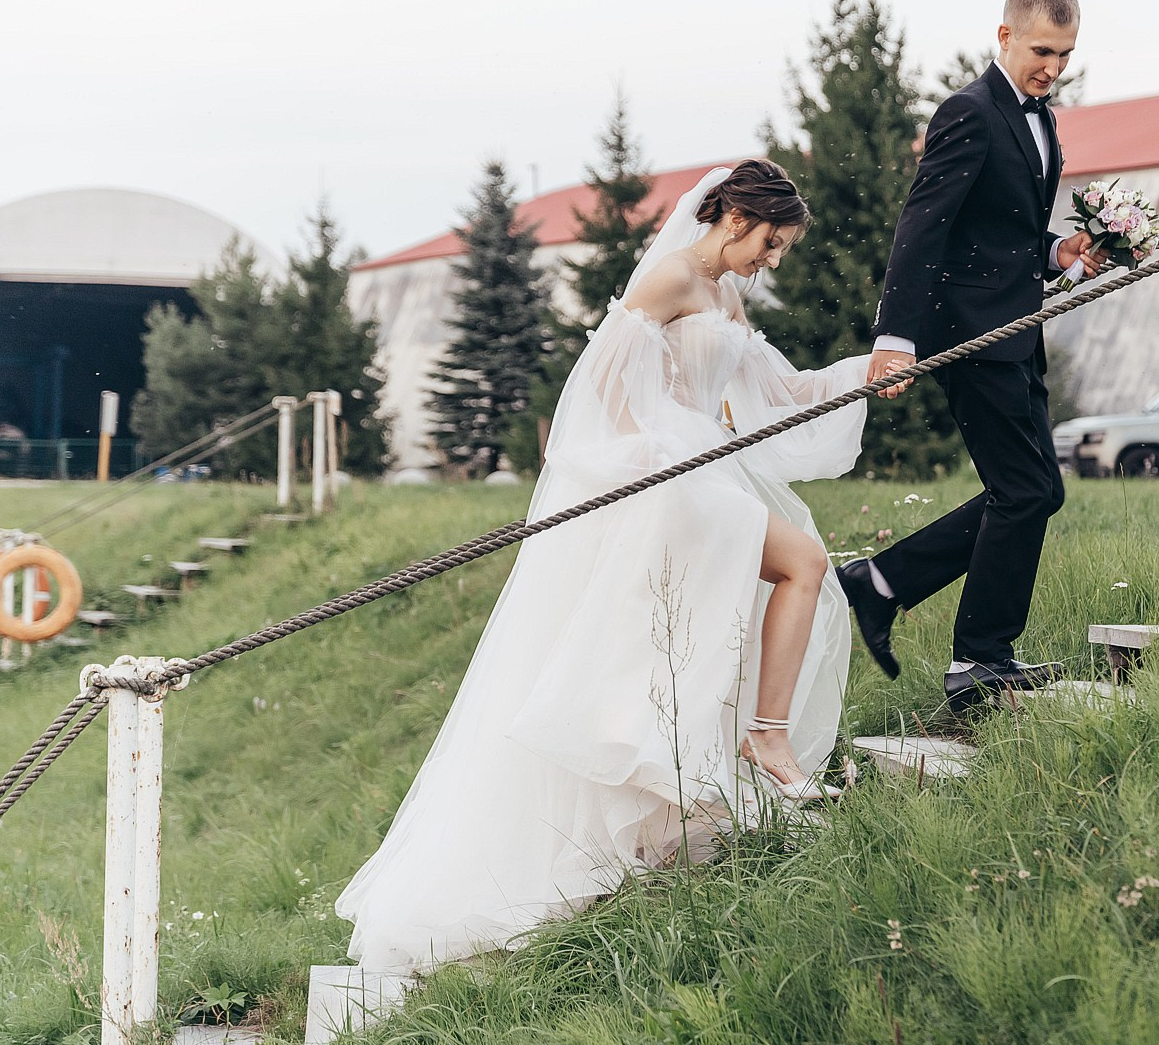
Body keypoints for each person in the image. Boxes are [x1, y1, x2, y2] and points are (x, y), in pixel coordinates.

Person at [338, 161, 870, 972]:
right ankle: (765, 740)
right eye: (771, 242)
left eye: (782, 250)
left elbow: (785, 389)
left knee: (750, 599)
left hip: (705, 470)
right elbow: (605, 386)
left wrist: (873, 372)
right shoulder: (670, 278)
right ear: (733, 217)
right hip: (662, 478)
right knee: (800, 562)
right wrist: (661, 462)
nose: (773, 261)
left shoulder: (727, 294)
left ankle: (725, 769)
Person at [839, 0, 1106, 712]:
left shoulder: (1041, 119)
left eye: (1067, 54)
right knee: (1024, 492)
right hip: (972, 338)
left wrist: (1059, 254)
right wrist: (895, 339)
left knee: (1037, 491)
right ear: (1006, 37)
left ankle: (881, 583)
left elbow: (1004, 233)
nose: (1053, 68)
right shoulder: (969, 111)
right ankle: (977, 662)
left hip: (1019, 333)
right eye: (1043, 51)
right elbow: (924, 226)